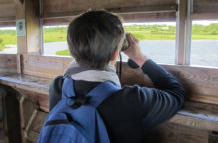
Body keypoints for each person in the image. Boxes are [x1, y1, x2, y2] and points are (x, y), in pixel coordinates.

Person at [49, 10, 186, 143]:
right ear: (116, 54)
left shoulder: (58, 87)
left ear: (72, 51)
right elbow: (176, 93)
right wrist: (139, 57)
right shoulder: (132, 100)